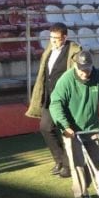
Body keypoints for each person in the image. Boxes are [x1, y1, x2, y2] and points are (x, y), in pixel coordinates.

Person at [49, 50, 99, 198]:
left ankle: (83, 187)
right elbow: (56, 104)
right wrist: (65, 126)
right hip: (72, 130)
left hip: (92, 127)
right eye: (81, 69)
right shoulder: (66, 80)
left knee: (97, 160)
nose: (84, 72)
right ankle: (81, 196)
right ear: (75, 65)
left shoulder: (98, 77)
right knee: (77, 163)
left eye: (87, 68)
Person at [25, 22, 82, 178]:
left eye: (56, 38)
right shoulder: (49, 49)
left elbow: (79, 75)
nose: (53, 41)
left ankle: (69, 164)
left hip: (66, 98)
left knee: (67, 131)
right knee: (45, 128)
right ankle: (60, 161)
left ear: (65, 37)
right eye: (51, 38)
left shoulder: (75, 51)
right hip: (49, 96)